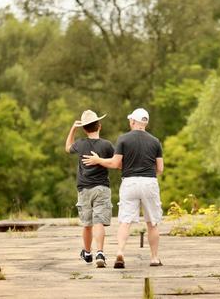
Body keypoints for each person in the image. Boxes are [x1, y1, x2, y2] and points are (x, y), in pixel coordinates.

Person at [82, 108, 164, 268]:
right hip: (149, 182)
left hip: (130, 182)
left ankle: (120, 252)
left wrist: (98, 160)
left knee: (125, 222)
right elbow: (160, 168)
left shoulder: (124, 139)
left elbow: (115, 164)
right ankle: (154, 258)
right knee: (152, 223)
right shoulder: (155, 141)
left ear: (133, 121)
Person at [65, 109, 115, 268]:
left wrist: (73, 129)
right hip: (101, 188)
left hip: (84, 189)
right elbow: (116, 162)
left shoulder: (80, 144)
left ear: (84, 129)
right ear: (99, 126)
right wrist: (100, 160)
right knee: (99, 221)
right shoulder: (107, 145)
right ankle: (100, 252)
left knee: (87, 223)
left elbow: (67, 147)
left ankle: (87, 253)